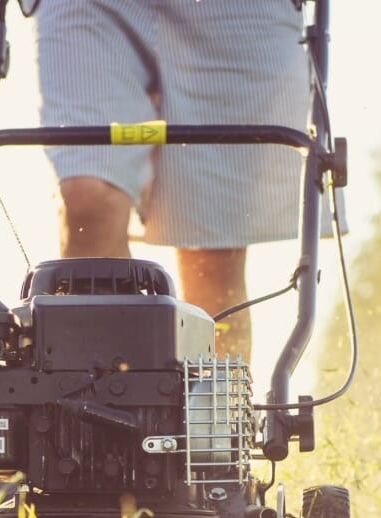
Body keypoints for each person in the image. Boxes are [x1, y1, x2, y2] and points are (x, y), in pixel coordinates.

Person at [34, 0, 329, 360]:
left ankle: (208, 397)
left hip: (234, 13)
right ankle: (102, 389)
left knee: (210, 259)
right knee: (87, 198)